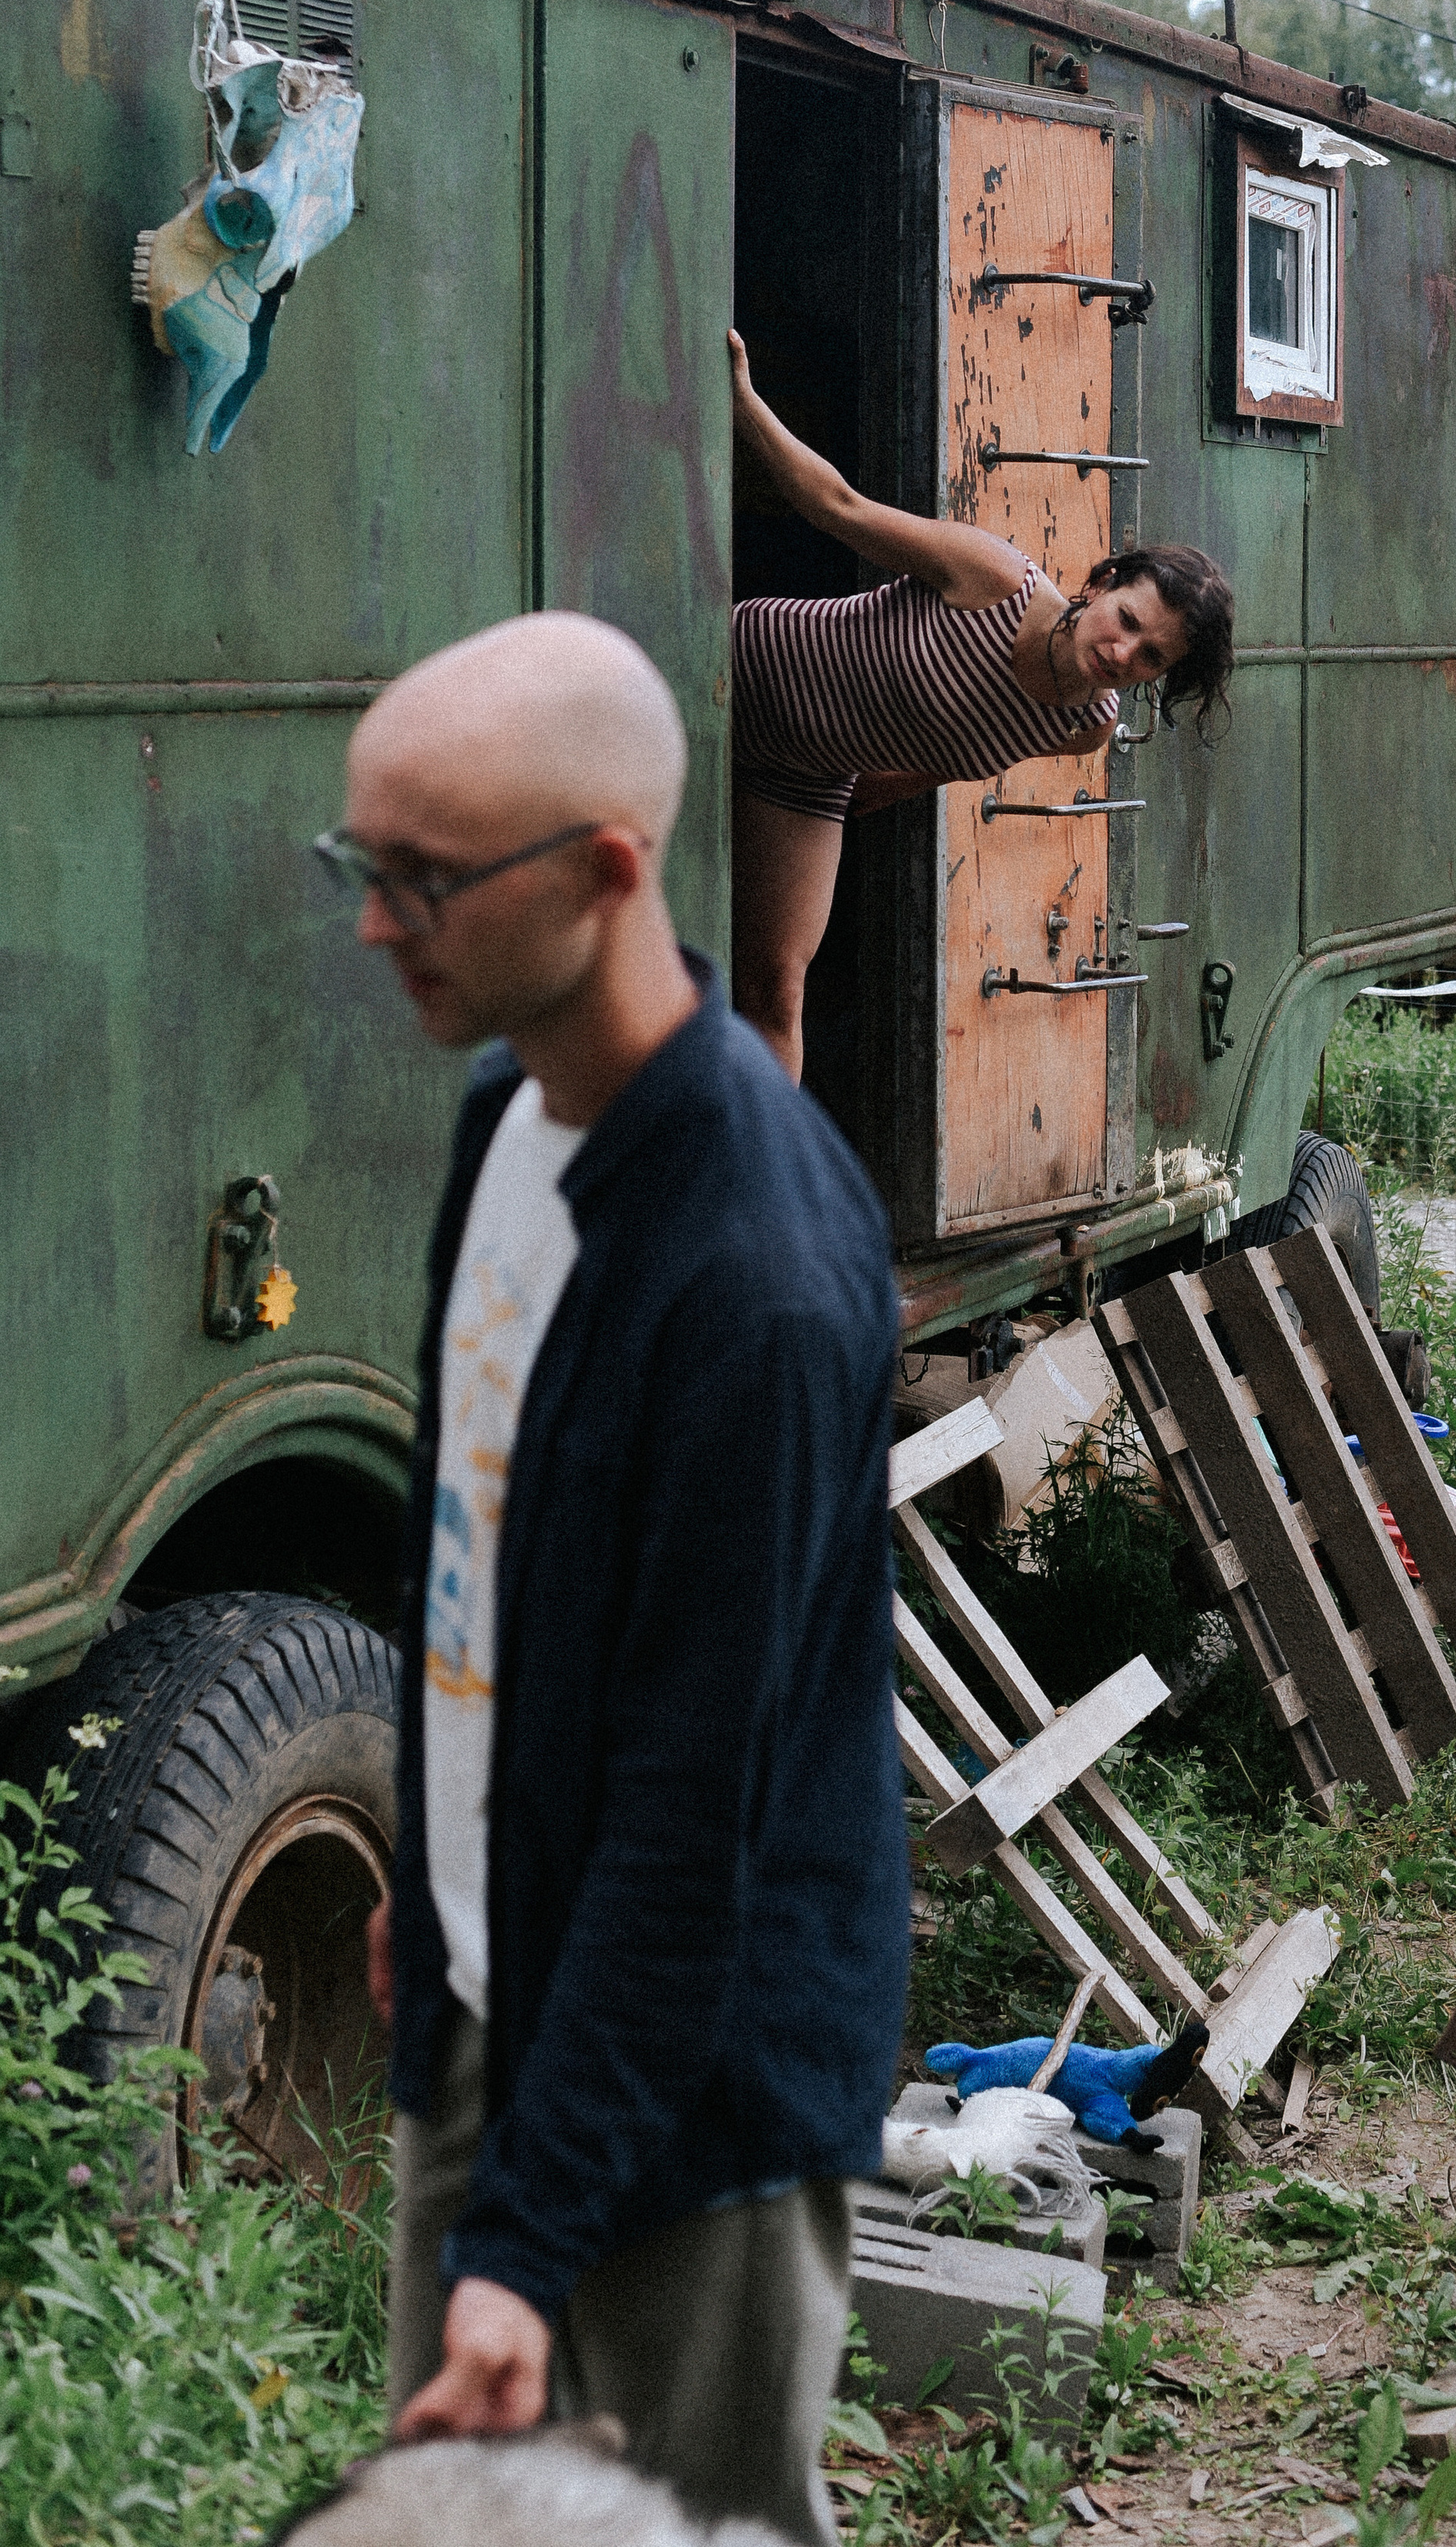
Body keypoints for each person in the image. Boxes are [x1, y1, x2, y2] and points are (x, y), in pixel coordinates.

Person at [317, 610, 908, 2547]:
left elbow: (688, 1816)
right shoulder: (507, 1119)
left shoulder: (749, 1271)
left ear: (603, 871)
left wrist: (532, 2230)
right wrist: (435, 1864)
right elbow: (465, 1543)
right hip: (504, 1988)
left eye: (421, 878)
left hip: (692, 2078)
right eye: (363, 865)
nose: (375, 923)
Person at [727, 329, 1235, 1080]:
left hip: (800, 781)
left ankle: (759, 1192)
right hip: (736, 674)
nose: (1125, 652)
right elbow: (836, 506)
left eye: (1151, 657)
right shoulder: (998, 579)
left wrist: (857, 795)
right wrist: (739, 400)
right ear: (1102, 585)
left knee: (776, 991)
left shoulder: (1082, 726)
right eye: (1128, 620)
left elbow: (942, 759)